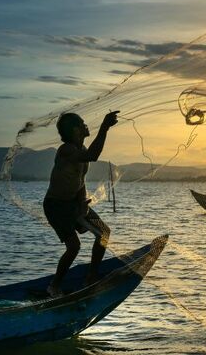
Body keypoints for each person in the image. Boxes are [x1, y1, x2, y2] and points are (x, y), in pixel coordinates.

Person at [43, 110, 119, 297]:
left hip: (74, 204)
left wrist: (82, 203)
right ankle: (54, 286)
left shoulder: (81, 151)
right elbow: (94, 155)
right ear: (75, 131)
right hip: (56, 206)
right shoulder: (66, 150)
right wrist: (104, 127)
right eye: (82, 124)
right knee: (74, 247)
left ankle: (91, 277)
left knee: (103, 232)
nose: (86, 126)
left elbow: (79, 180)